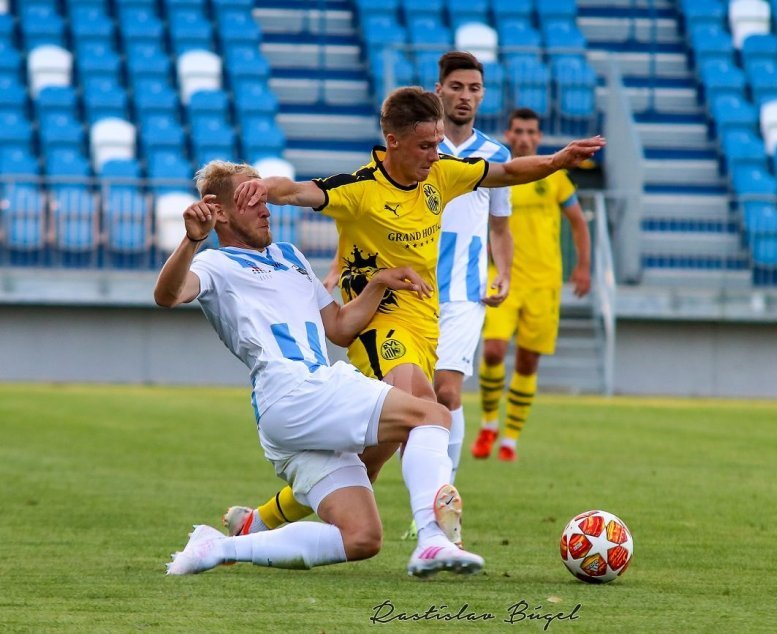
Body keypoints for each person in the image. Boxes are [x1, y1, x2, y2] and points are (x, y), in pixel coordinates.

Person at [220, 86, 604, 538]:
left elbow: (505, 172)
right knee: (423, 400)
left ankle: (258, 521)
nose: (435, 154)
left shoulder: (441, 175)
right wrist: (266, 186)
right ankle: (436, 530)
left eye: (439, 142)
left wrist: (558, 160)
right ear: (393, 140)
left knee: (369, 460)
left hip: (425, 325)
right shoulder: (360, 189)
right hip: (377, 323)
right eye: (425, 145)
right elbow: (301, 192)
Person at [156, 161, 484, 577]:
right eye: (251, 199)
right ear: (220, 212)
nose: (266, 208)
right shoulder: (215, 265)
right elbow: (168, 295)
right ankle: (432, 538)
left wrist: (379, 283)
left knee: (361, 537)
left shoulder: (291, 257)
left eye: (264, 198)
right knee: (431, 413)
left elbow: (340, 328)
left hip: (295, 408)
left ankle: (220, 546)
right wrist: (190, 240)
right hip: (295, 389)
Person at [471, 108, 592, 462]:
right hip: (503, 277)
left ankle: (510, 440)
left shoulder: (554, 176)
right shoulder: (498, 171)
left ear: (539, 138)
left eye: (531, 132)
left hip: (544, 283)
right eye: (518, 131)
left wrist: (583, 265)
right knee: (493, 351)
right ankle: (489, 422)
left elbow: (578, 222)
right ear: (508, 134)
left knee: (527, 361)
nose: (524, 137)